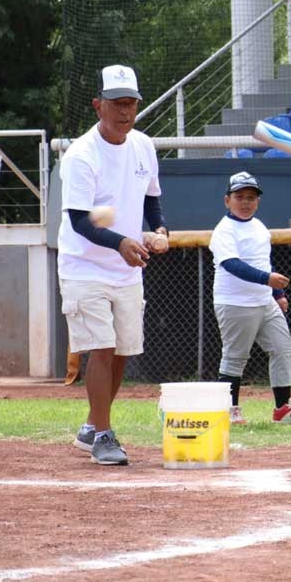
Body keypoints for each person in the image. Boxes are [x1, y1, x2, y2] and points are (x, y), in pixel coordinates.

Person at [59, 64, 168, 466]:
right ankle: (103, 434)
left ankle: (92, 425)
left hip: (126, 269)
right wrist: (121, 241)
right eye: (117, 103)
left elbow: (151, 198)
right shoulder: (81, 156)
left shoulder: (143, 146)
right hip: (84, 266)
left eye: (131, 103)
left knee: (122, 350)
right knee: (101, 349)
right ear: (98, 105)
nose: (125, 111)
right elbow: (79, 220)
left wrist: (158, 228)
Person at [209, 171, 291, 425]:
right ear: (227, 200)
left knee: (282, 347)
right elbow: (232, 265)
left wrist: (277, 294)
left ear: (258, 201)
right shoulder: (224, 230)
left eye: (251, 197)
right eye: (239, 197)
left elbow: (263, 262)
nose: (246, 202)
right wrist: (267, 281)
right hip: (235, 302)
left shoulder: (258, 227)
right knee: (236, 357)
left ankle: (283, 409)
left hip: (264, 300)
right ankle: (229, 410)